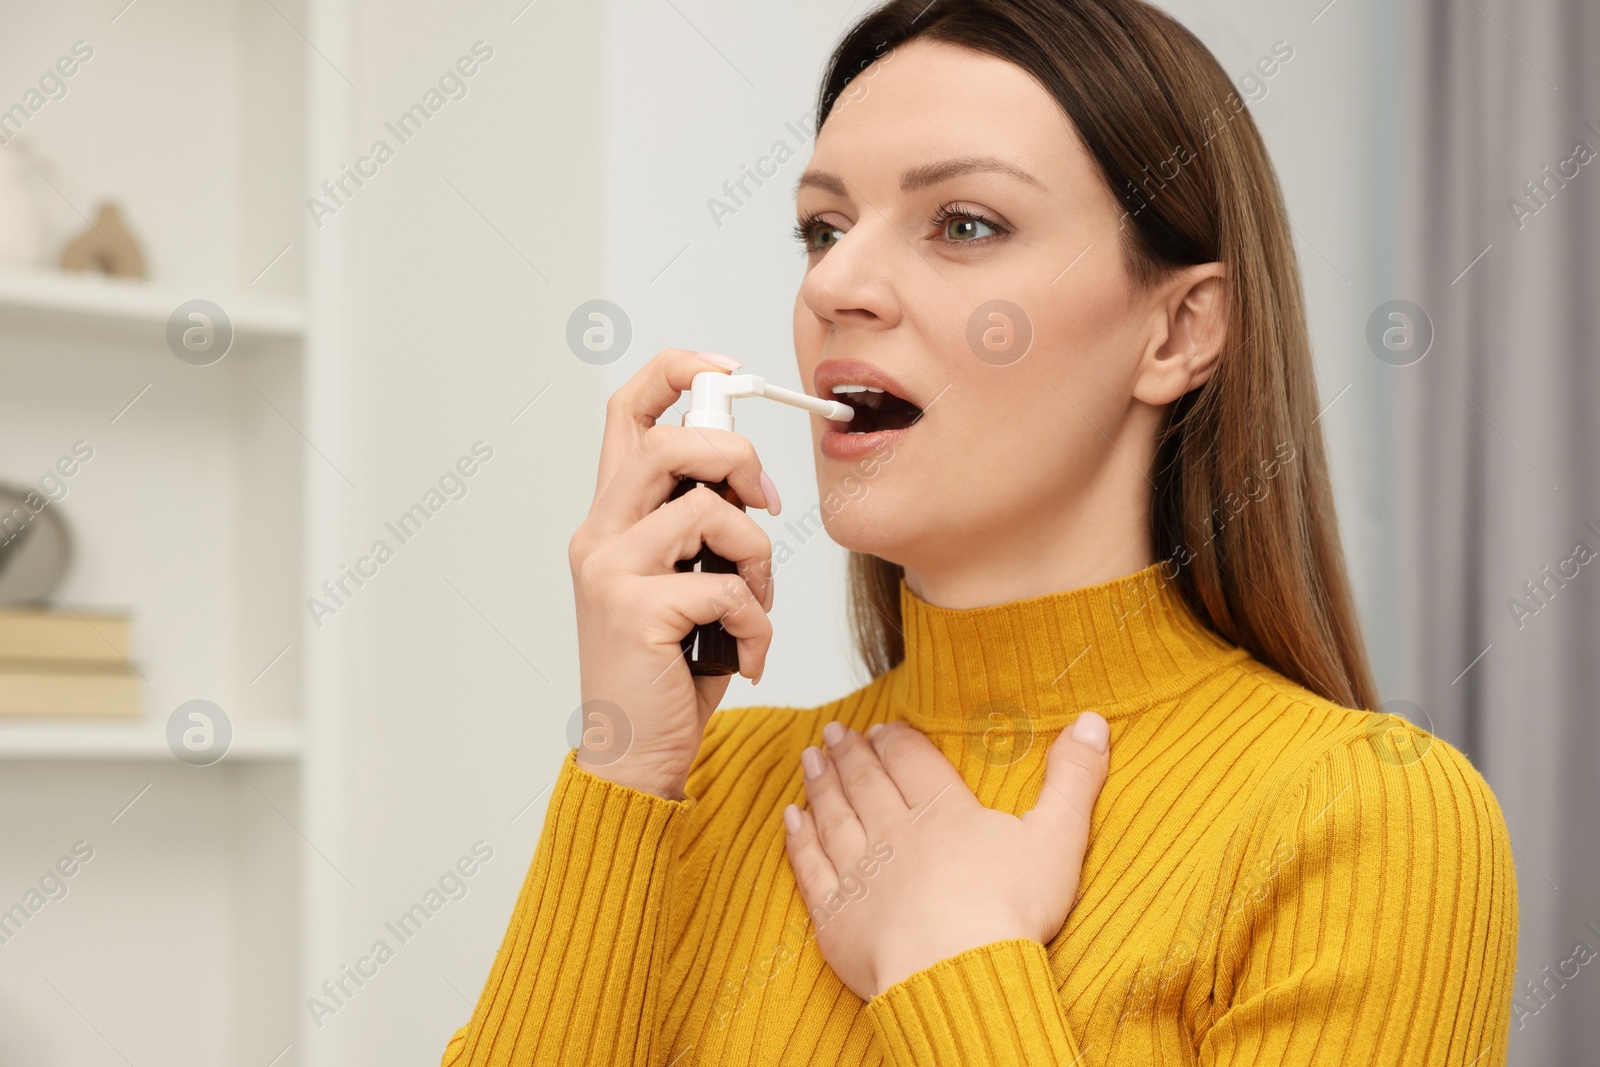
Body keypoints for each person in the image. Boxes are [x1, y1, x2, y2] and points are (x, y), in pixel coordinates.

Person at [442, 1, 1518, 1063]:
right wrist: (622, 770)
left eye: (964, 223)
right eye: (823, 227)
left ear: (1179, 330)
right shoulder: (702, 790)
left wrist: (948, 960)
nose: (834, 284)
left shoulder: (1369, 820)